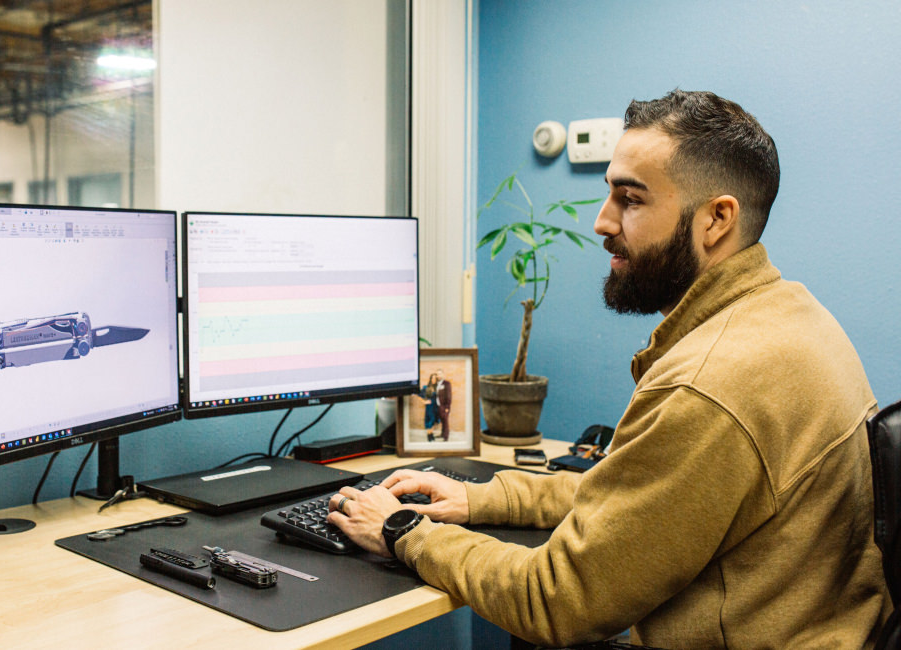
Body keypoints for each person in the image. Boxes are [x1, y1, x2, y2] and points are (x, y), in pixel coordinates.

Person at [327, 90, 891, 648]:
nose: (602, 222)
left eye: (632, 199)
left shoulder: (709, 384)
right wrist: (483, 498)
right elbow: (646, 504)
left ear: (717, 219)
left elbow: (557, 601)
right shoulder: (792, 314)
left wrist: (404, 530)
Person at [434, 369, 452, 442]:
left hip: (444, 406)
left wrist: (447, 407)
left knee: (445, 421)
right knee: (442, 420)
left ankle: (446, 437)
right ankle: (442, 434)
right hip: (438, 406)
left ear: (443, 375)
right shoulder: (437, 384)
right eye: (437, 374)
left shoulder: (446, 383)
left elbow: (449, 396)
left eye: (440, 374)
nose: (439, 375)